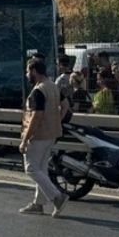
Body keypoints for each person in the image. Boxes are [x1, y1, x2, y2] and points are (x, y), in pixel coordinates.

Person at [18, 58, 70, 217]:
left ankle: (57, 197)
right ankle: (38, 204)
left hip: (38, 136)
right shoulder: (53, 86)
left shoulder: (38, 90)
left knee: (31, 169)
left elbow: (36, 116)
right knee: (42, 170)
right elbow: (66, 105)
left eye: (28, 71)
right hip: (52, 134)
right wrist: (56, 120)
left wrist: (25, 139)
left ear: (34, 71)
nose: (27, 74)